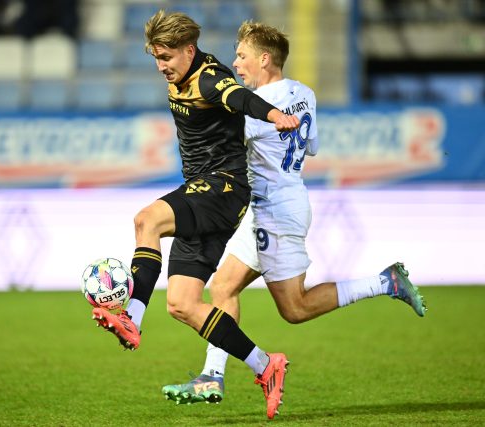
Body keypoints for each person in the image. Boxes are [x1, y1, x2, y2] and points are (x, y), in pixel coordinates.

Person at [160, 20, 428, 410]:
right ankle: (211, 377)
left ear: (265, 59)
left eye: (243, 55)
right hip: (280, 201)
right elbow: (313, 145)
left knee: (295, 308)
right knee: (223, 287)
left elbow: (224, 138)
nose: (236, 63)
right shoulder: (304, 94)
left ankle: (385, 282)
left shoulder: (254, 112)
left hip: (276, 212)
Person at [91, 10, 298, 419]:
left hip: (223, 187)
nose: (161, 66)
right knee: (184, 303)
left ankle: (131, 316)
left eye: (167, 57)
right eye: (156, 57)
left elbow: (238, 96)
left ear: (189, 50)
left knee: (146, 220)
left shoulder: (208, 76)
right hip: (205, 195)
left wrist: (275, 117)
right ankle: (265, 365)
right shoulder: (180, 75)